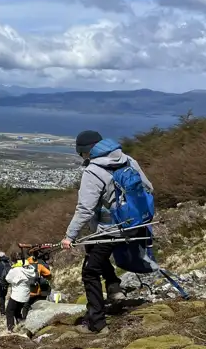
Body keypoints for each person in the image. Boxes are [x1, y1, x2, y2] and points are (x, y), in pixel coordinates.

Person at [61, 130, 154, 335]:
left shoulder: (93, 172)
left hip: (109, 228)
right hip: (134, 224)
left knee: (90, 271)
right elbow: (149, 187)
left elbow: (85, 209)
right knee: (92, 250)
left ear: (86, 152)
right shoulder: (128, 160)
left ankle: (97, 323)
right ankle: (114, 287)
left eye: (82, 154)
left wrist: (69, 237)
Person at [5, 259, 37, 332]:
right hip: (25, 295)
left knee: (9, 311)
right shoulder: (31, 271)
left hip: (16, 295)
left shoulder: (17, 270)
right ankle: (21, 325)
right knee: (17, 311)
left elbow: (7, 278)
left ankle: (10, 328)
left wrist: (14, 281)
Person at [21, 254, 52, 319]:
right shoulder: (39, 266)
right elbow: (48, 273)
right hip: (37, 290)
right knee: (39, 305)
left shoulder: (23, 267)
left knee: (26, 306)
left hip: (27, 292)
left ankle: (24, 319)